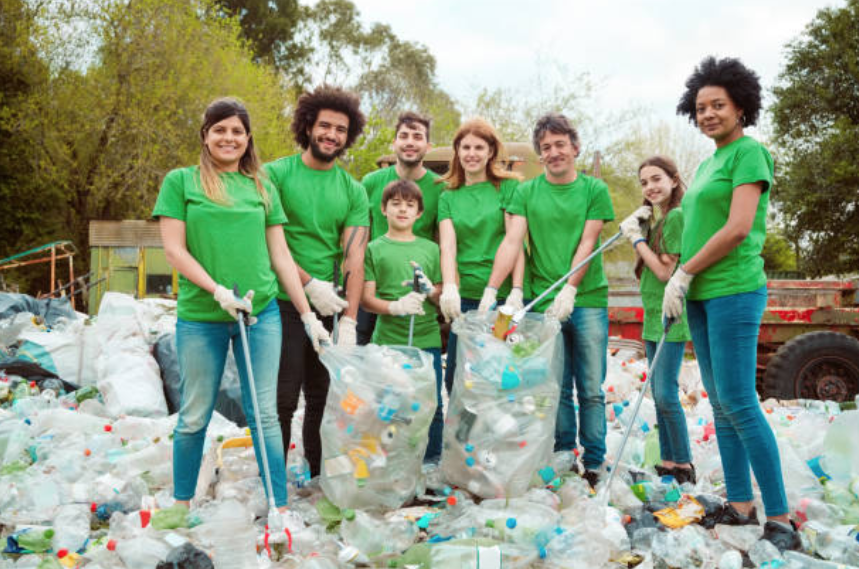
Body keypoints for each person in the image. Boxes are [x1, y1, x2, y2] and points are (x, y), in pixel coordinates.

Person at [154, 98, 329, 511]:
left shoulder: (261, 186)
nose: (228, 138)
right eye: (220, 130)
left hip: (260, 313)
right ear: (206, 135)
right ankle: (181, 505)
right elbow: (175, 252)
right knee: (195, 414)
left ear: (247, 138)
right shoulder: (181, 182)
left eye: (236, 131)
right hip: (202, 317)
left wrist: (307, 315)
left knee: (265, 414)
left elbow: (281, 256)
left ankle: (278, 506)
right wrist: (217, 290)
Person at [669, 55, 799, 550]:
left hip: (734, 289)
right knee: (720, 404)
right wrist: (677, 278)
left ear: (741, 106)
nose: (707, 114)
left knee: (741, 401)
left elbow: (739, 227)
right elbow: (697, 226)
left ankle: (781, 518)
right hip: (700, 293)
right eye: (700, 107)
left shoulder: (749, 154)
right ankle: (742, 505)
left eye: (717, 105)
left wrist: (685, 270)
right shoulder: (707, 163)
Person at [483, 113, 614, 487]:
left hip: (587, 300)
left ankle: (594, 461)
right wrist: (496, 290)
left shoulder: (594, 191)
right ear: (540, 156)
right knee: (554, 386)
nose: (554, 153)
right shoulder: (526, 192)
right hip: (542, 304)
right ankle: (562, 454)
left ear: (575, 147)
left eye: (560, 145)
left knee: (590, 388)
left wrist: (571, 289)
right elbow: (512, 242)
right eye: (546, 148)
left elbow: (588, 243)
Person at [265, 85, 369, 477]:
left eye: (340, 130)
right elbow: (270, 241)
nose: (332, 135)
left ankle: (317, 475)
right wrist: (307, 284)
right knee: (283, 398)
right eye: (325, 126)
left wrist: (349, 320)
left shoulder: (352, 190)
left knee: (323, 397)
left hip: (330, 304)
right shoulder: (275, 174)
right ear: (308, 126)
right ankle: (273, 480)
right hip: (283, 301)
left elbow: (354, 254)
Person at [618, 156, 694, 484]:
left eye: (657, 179)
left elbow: (665, 272)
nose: (651, 187)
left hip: (669, 314)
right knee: (658, 392)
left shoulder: (676, 217)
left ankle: (684, 465)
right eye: (645, 182)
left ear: (674, 180)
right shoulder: (659, 219)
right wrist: (643, 227)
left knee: (665, 393)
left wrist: (636, 239)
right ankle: (668, 461)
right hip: (651, 313)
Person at [437, 118, 524, 393]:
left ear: (490, 152)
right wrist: (450, 286)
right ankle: (463, 438)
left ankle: (495, 436)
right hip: (464, 301)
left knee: (496, 376)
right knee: (458, 380)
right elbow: (448, 246)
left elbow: (516, 243)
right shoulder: (448, 196)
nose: (471, 153)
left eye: (478, 147)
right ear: (457, 152)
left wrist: (516, 290)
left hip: (500, 303)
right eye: (465, 147)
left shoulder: (509, 188)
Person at [361, 179, 444, 462]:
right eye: (395, 204)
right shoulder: (373, 248)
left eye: (410, 205)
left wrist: (430, 289)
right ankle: (390, 464)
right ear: (383, 209)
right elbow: (366, 299)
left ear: (420, 213)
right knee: (388, 407)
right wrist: (395, 306)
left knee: (430, 407)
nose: (402, 210)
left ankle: (431, 464)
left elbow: (441, 295)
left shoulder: (431, 249)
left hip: (426, 340)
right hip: (388, 343)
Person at [358, 112, 440, 345]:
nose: (410, 142)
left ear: (428, 146)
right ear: (394, 143)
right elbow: (360, 236)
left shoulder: (439, 187)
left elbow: (439, 241)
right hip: (372, 286)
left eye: (417, 136)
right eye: (403, 136)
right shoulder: (371, 182)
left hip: (414, 290)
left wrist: (436, 289)